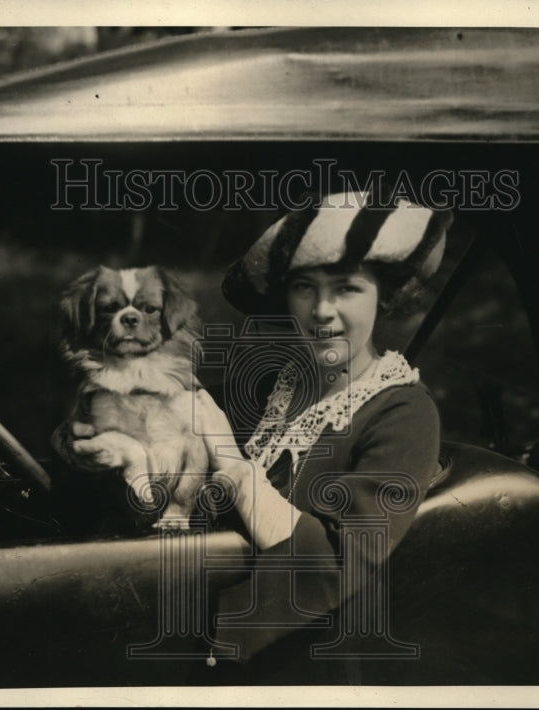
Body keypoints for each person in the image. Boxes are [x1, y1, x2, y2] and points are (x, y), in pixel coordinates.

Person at [54, 191, 450, 678]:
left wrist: (236, 469)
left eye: (347, 289)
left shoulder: (403, 413)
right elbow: (157, 420)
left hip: (301, 667)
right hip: (186, 632)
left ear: (384, 297)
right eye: (305, 288)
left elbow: (337, 566)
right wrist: (88, 442)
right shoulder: (270, 386)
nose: (322, 310)